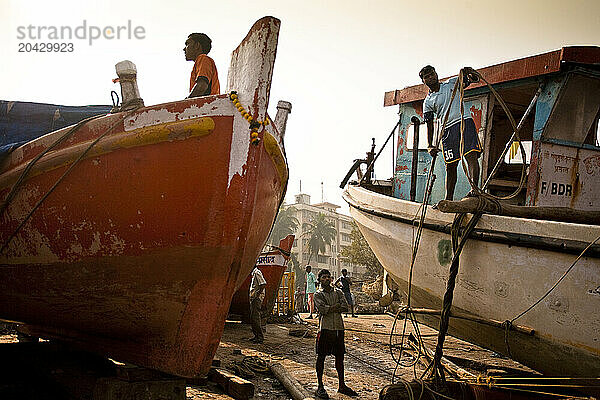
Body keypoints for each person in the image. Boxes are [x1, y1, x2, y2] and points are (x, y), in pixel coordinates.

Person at [420, 65, 481, 200]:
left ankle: (475, 190)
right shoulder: (427, 102)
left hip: (464, 122)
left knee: (471, 156)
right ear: (423, 81)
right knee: (451, 166)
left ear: (436, 74)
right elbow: (429, 125)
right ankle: (449, 199)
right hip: (447, 130)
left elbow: (475, 79)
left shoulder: (452, 83)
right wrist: (430, 145)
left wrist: (469, 72)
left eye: (432, 74)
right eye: (426, 77)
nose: (430, 77)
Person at [313, 269, 358, 399]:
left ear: (331, 279)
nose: (326, 279)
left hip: (338, 329)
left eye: (328, 277)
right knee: (321, 357)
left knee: (340, 357)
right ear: (319, 280)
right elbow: (322, 309)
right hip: (325, 329)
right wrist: (335, 307)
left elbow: (345, 307)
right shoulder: (318, 294)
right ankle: (320, 386)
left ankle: (342, 385)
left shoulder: (338, 292)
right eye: (323, 277)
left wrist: (329, 308)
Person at [184, 33, 220, 98]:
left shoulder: (203, 59)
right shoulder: (201, 61)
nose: (184, 49)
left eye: (187, 44)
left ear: (197, 46)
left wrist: (184, 104)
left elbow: (201, 87)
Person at [249, 265, 266, 343]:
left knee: (255, 317)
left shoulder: (257, 272)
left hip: (256, 298)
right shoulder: (254, 273)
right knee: (253, 317)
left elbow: (263, 284)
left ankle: (259, 337)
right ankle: (256, 336)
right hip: (254, 298)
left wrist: (257, 295)